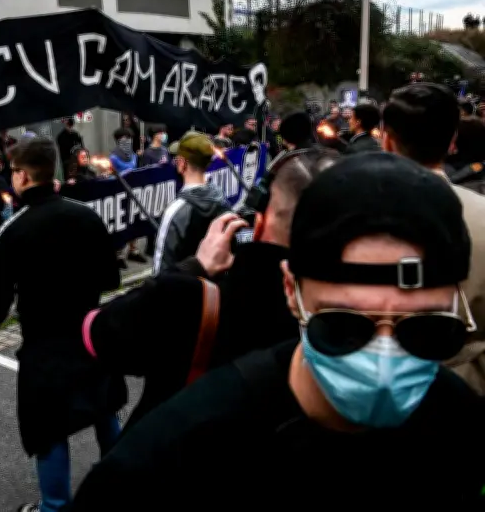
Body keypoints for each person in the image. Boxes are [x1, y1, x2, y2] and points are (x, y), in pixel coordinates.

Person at [69, 154, 485, 509]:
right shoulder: (164, 464)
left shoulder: (460, 423)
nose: (385, 363)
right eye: (342, 326)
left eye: (429, 331)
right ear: (291, 290)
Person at [82, 147, 338, 430]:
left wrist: (193, 268)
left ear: (260, 219)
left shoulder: (192, 298)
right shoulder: (377, 317)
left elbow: (98, 333)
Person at [0, 137, 127, 512]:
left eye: (14, 172)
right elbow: (112, 279)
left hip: (44, 346)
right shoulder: (86, 215)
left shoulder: (11, 231)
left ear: (24, 177)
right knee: (103, 407)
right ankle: (125, 482)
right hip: (90, 334)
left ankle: (55, 507)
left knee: (48, 428)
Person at [381, 82, 485, 394]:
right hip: (466, 390)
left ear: (386, 140)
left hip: (375, 391)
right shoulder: (481, 213)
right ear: (452, 141)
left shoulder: (347, 213)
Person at [153, 132, 229, 275]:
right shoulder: (223, 203)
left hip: (184, 292)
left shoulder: (175, 211)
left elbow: (161, 270)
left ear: (182, 163)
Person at [109, 128, 145, 266]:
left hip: (134, 192)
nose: (127, 140)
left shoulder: (134, 155)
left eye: (129, 137)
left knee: (134, 221)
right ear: (118, 140)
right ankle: (119, 254)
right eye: (125, 138)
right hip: (120, 194)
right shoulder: (113, 157)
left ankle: (133, 250)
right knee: (122, 223)